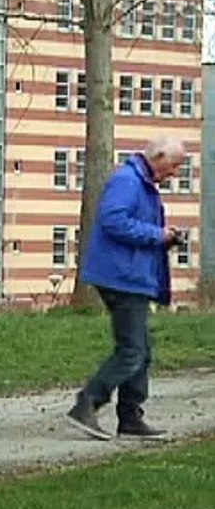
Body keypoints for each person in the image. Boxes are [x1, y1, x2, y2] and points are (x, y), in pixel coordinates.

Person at [66, 137, 186, 441]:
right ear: (157, 157)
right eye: (173, 166)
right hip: (121, 277)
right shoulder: (127, 181)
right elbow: (112, 220)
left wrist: (163, 237)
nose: (174, 173)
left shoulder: (141, 182)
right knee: (132, 350)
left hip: (131, 276)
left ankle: (130, 416)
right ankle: (88, 402)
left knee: (142, 350)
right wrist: (157, 235)